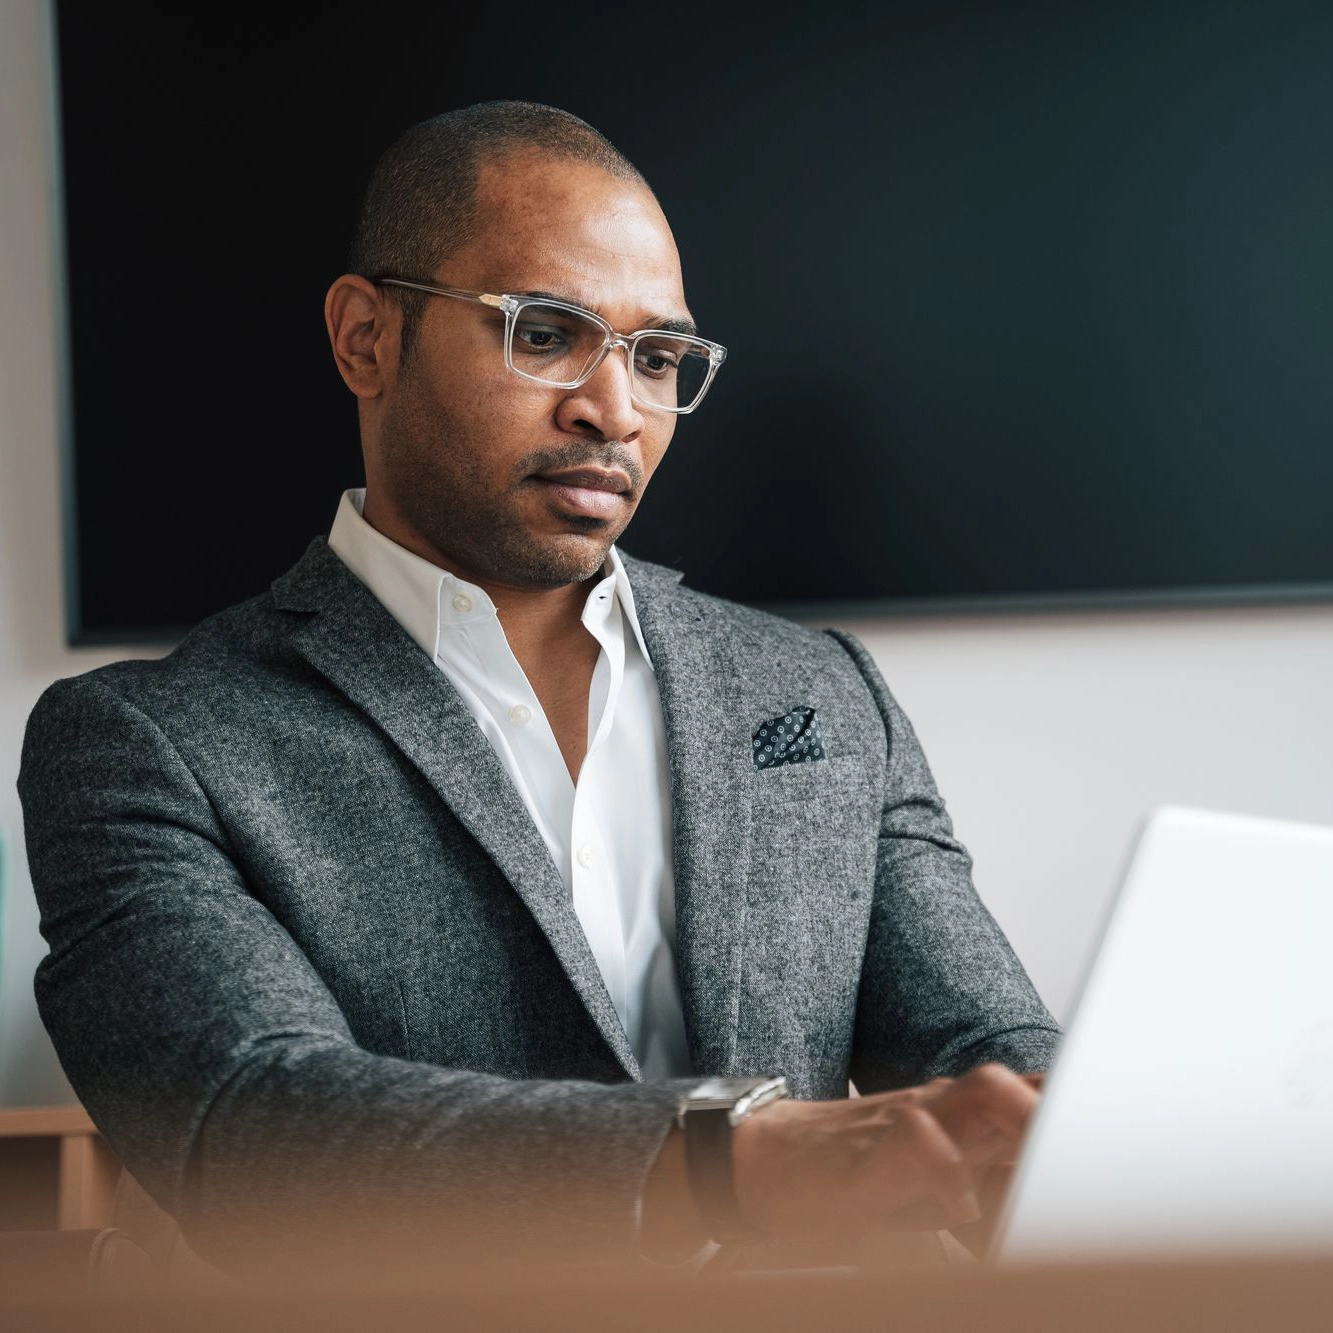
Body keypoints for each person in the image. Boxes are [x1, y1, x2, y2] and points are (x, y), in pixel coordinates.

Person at [18, 102, 1060, 1275]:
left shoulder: (817, 690)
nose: (614, 410)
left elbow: (989, 1061)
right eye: (547, 332)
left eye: (657, 358)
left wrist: (1102, 1136)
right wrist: (730, 1163)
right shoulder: (144, 740)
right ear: (365, 337)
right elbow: (256, 1124)